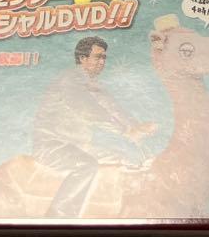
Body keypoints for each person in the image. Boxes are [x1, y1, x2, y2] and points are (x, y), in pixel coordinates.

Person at [31, 37, 156, 218]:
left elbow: (112, 107)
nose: (102, 62)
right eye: (98, 57)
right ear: (83, 58)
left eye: (104, 57)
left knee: (124, 159)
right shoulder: (70, 79)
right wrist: (125, 131)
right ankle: (58, 217)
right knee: (86, 165)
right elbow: (87, 109)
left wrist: (136, 126)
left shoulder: (93, 84)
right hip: (52, 145)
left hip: (77, 145)